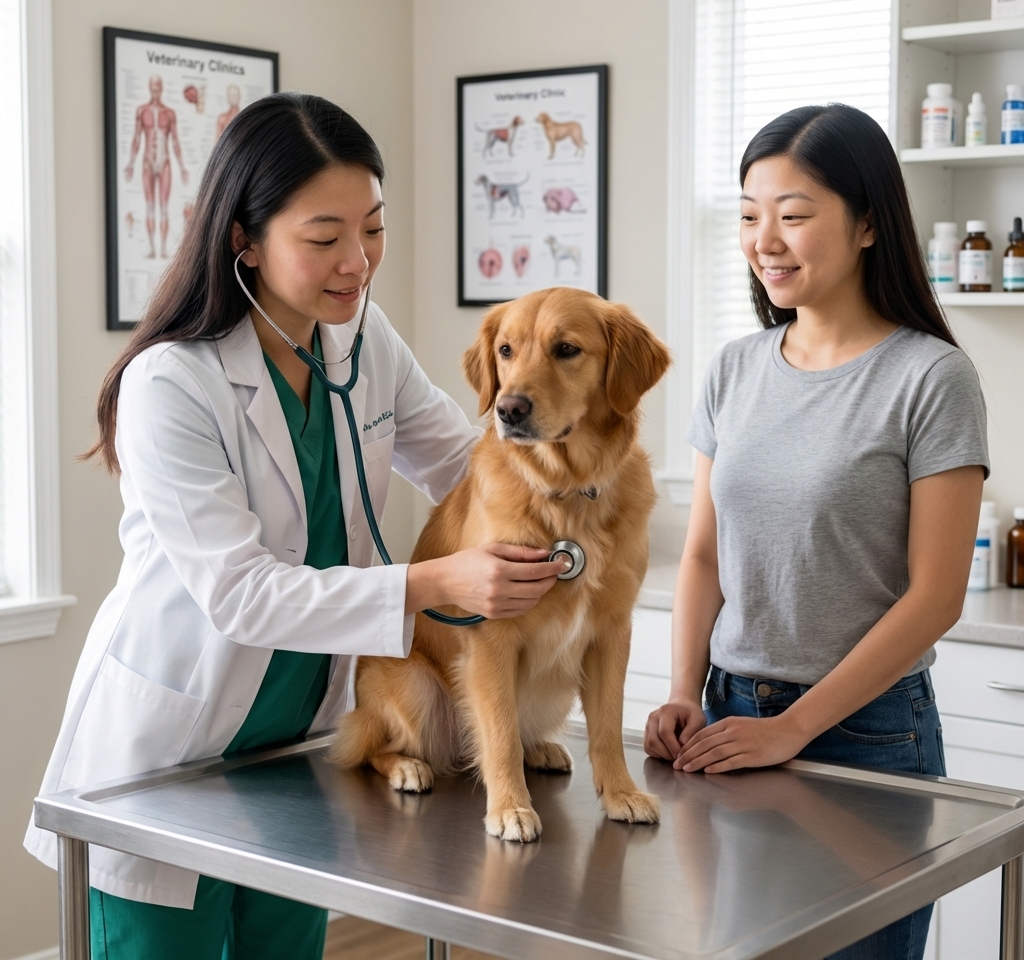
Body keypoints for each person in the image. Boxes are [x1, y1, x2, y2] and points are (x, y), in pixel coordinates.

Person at [26, 93, 568, 960]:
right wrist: (433, 584)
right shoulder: (170, 384)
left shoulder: (362, 342)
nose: (358, 262)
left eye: (374, 229)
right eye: (324, 238)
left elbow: (465, 462)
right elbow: (239, 595)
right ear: (245, 237)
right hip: (171, 760)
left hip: (293, 757)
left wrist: (573, 454)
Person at [644, 103, 988, 960]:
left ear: (869, 223)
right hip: (727, 714)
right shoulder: (734, 368)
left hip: (868, 733)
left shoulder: (930, 377)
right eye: (750, 217)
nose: (767, 241)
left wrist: (794, 729)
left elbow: (936, 596)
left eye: (794, 216)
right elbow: (702, 557)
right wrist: (684, 691)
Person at [124, 75, 190, 259]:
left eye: (158, 87)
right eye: (153, 87)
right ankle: (153, 248)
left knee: (163, 207)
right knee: (150, 206)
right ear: (149, 87)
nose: (155, 90)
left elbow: (176, 141)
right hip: (147, 161)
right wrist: (130, 163)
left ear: (161, 88)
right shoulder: (141, 111)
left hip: (165, 161)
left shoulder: (169, 113)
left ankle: (162, 249)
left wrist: (183, 166)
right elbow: (136, 138)